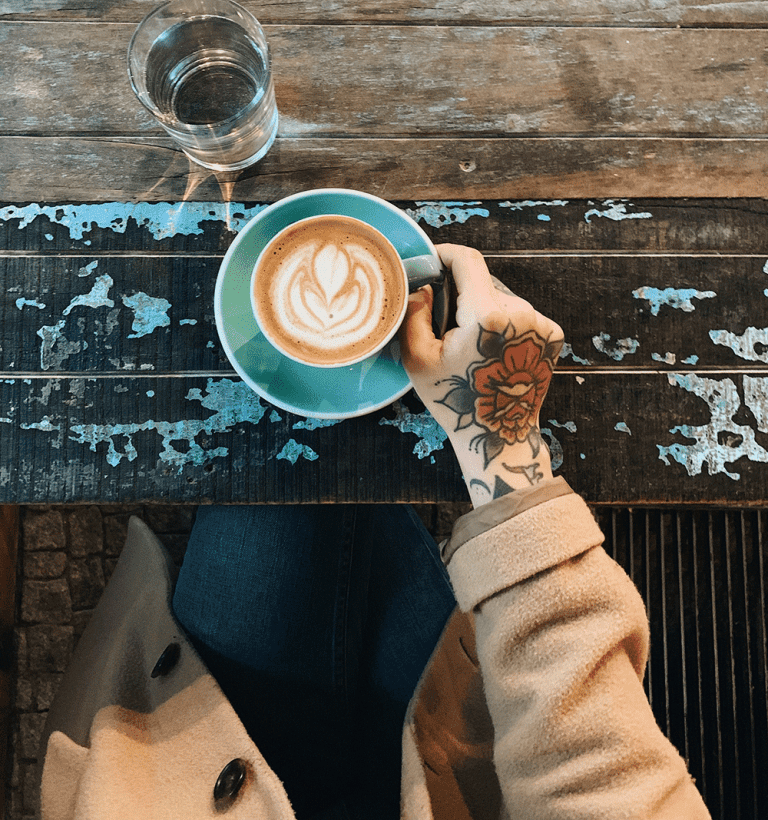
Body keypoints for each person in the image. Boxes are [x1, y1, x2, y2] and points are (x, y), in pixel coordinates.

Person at [36, 244, 711, 820]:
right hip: (435, 790)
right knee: (363, 506)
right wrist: (500, 446)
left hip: (185, 776)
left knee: (286, 470)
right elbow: (604, 779)